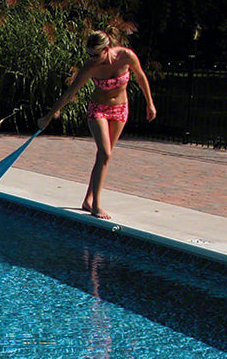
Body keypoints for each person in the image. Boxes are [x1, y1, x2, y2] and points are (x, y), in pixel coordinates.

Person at [37, 29, 157, 219]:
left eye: (95, 54)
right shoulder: (90, 67)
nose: (91, 58)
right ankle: (97, 205)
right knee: (105, 153)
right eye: (89, 54)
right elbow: (70, 93)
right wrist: (49, 116)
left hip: (120, 109)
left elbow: (141, 77)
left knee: (103, 156)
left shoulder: (126, 56)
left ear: (106, 49)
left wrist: (149, 103)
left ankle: (88, 200)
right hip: (98, 109)